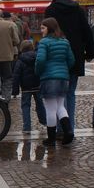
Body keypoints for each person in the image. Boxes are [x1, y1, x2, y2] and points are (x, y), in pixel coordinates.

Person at [44, 0, 94, 132]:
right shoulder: (78, 9)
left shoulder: (50, 10)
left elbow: (47, 33)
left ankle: (61, 128)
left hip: (56, 56)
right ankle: (69, 127)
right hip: (76, 55)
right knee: (70, 93)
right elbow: (87, 31)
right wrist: (90, 53)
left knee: (58, 95)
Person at [35, 18, 75, 146]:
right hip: (63, 78)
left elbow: (40, 60)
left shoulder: (44, 42)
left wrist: (38, 71)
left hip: (49, 78)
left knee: (50, 108)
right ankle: (68, 131)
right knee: (60, 106)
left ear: (49, 28)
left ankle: (51, 138)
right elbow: (71, 60)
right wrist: (64, 70)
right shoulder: (65, 41)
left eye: (43, 28)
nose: (41, 31)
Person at [12, 40, 46, 133]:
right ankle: (44, 121)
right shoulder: (37, 57)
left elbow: (16, 76)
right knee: (40, 104)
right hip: (37, 85)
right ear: (32, 47)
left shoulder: (20, 60)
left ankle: (27, 127)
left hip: (26, 88)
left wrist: (15, 91)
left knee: (25, 106)